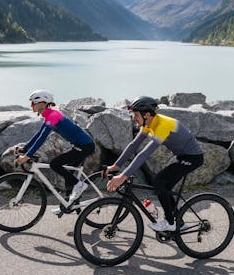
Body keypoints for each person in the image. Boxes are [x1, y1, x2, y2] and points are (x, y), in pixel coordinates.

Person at [105, 96, 203, 232]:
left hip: (193, 157)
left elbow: (144, 154)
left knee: (159, 182)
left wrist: (123, 176)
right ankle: (178, 222)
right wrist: (116, 165)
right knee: (163, 186)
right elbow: (134, 145)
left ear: (147, 115)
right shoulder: (148, 124)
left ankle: (170, 223)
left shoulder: (163, 125)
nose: (133, 118)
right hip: (181, 156)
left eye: (136, 114)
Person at [14, 89, 95, 210]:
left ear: (42, 103)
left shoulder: (53, 115)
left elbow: (42, 138)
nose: (31, 105)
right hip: (80, 145)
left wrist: (27, 156)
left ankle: (80, 185)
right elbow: (38, 134)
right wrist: (24, 148)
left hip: (85, 146)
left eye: (33, 103)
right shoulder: (48, 115)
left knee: (55, 164)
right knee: (69, 175)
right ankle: (69, 204)